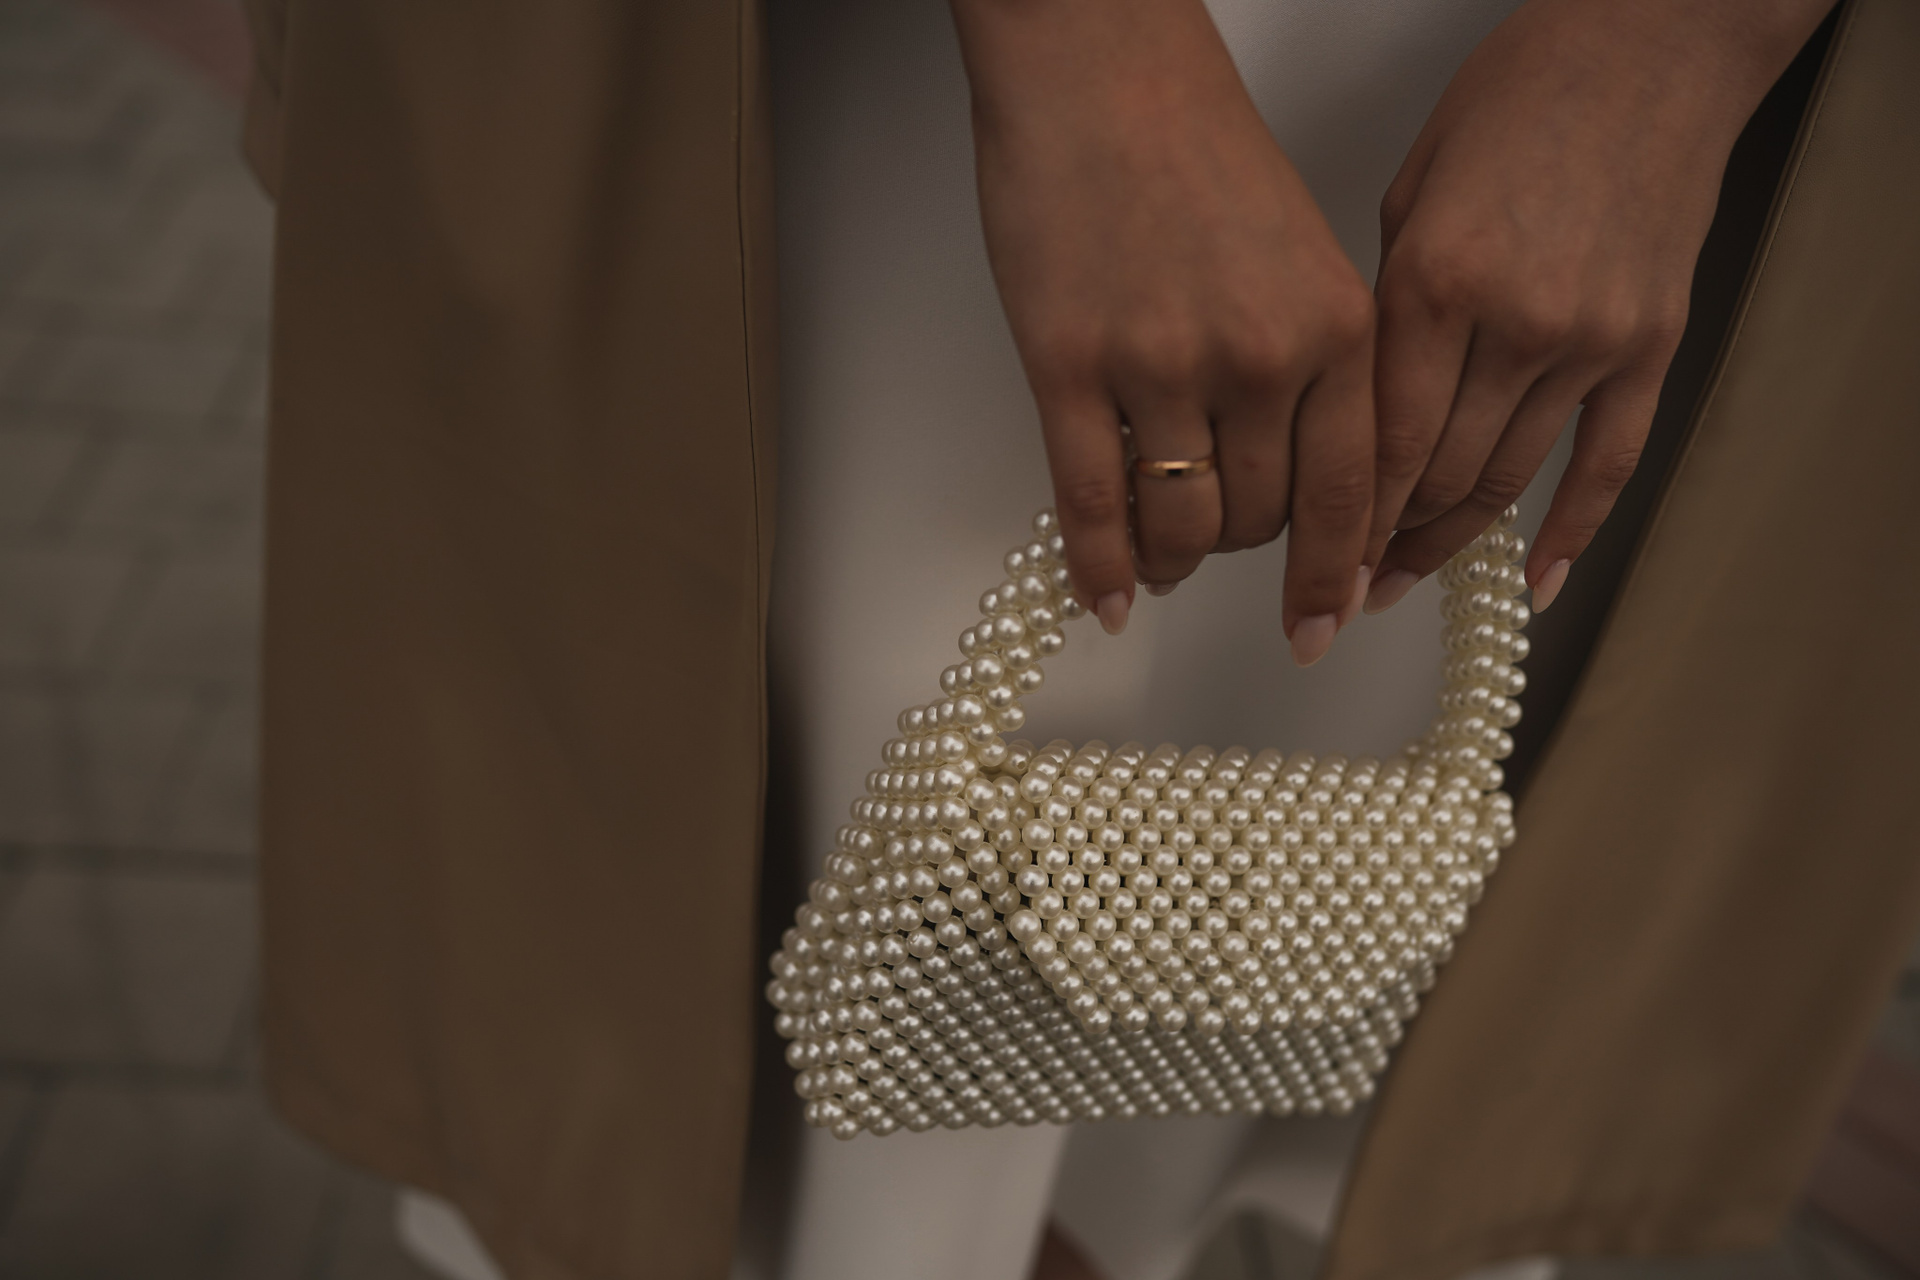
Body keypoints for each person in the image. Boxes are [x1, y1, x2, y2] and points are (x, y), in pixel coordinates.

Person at [239, 0, 1920, 1277]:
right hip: (902, 57)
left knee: (1413, 665)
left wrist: (1675, 49)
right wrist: (1085, 58)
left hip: (1582, 101)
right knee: (789, 688)